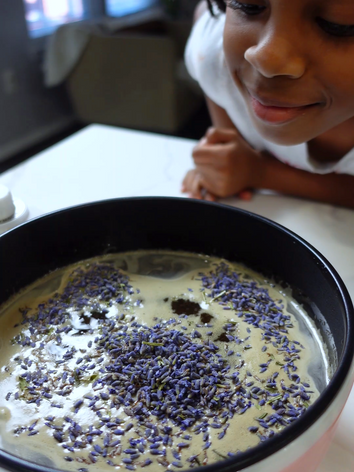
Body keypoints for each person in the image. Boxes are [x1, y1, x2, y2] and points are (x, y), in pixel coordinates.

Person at [181, 0, 354, 208]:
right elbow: (231, 155)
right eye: (248, 6)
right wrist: (225, 165)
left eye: (337, 25)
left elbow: (243, 167)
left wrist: (262, 173)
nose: (266, 59)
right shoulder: (215, 57)